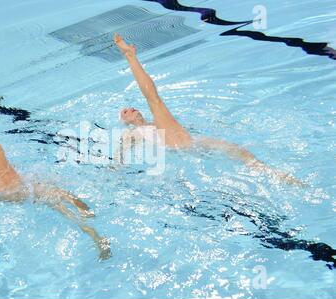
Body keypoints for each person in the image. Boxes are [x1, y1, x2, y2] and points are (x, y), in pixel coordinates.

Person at [0, 80, 111, 260]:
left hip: (23, 187)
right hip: (6, 190)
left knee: (62, 198)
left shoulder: (0, 167)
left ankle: (96, 236)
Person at [113, 34, 303, 186]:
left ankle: (270, 173)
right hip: (174, 143)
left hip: (191, 143)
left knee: (234, 149)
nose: (129, 109)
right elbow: (119, 155)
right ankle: (130, 56)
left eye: (129, 108)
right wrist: (114, 172)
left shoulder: (155, 123)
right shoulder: (131, 133)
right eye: (125, 112)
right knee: (155, 101)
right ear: (125, 121)